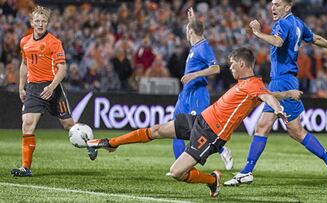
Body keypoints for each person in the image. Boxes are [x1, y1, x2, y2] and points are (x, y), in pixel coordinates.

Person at [87, 48, 300, 197]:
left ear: (242, 64)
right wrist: (287, 93)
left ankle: (212, 180)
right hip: (201, 120)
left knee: (177, 172)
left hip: (211, 134)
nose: (230, 68)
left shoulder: (253, 85)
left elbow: (267, 97)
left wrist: (279, 109)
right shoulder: (249, 84)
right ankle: (111, 143)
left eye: (233, 64)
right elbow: (268, 93)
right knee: (157, 130)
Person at [224, 0, 327, 188]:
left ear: (287, 7)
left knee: (295, 131)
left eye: (278, 4)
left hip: (283, 80)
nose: (273, 7)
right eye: (272, 4)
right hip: (281, 79)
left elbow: (278, 41)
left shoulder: (282, 24)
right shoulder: (298, 23)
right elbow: (315, 39)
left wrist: (257, 32)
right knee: (263, 126)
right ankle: (246, 171)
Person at [11, 6, 77, 177]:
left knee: (69, 126)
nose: (40, 24)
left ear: (48, 23)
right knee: (27, 124)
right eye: (37, 21)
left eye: (44, 21)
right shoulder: (25, 42)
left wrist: (52, 87)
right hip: (33, 88)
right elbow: (24, 65)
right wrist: (21, 87)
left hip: (52, 87)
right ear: (32, 23)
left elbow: (62, 69)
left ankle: (90, 144)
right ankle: (26, 167)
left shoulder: (54, 42)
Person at [172, 7, 233, 170]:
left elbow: (216, 69)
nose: (185, 32)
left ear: (190, 31)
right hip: (185, 94)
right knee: (175, 129)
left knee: (198, 130)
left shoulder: (203, 47)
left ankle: (222, 149)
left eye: (187, 29)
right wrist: (192, 20)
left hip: (197, 94)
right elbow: (196, 29)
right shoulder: (195, 46)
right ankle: (181, 167)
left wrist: (194, 75)